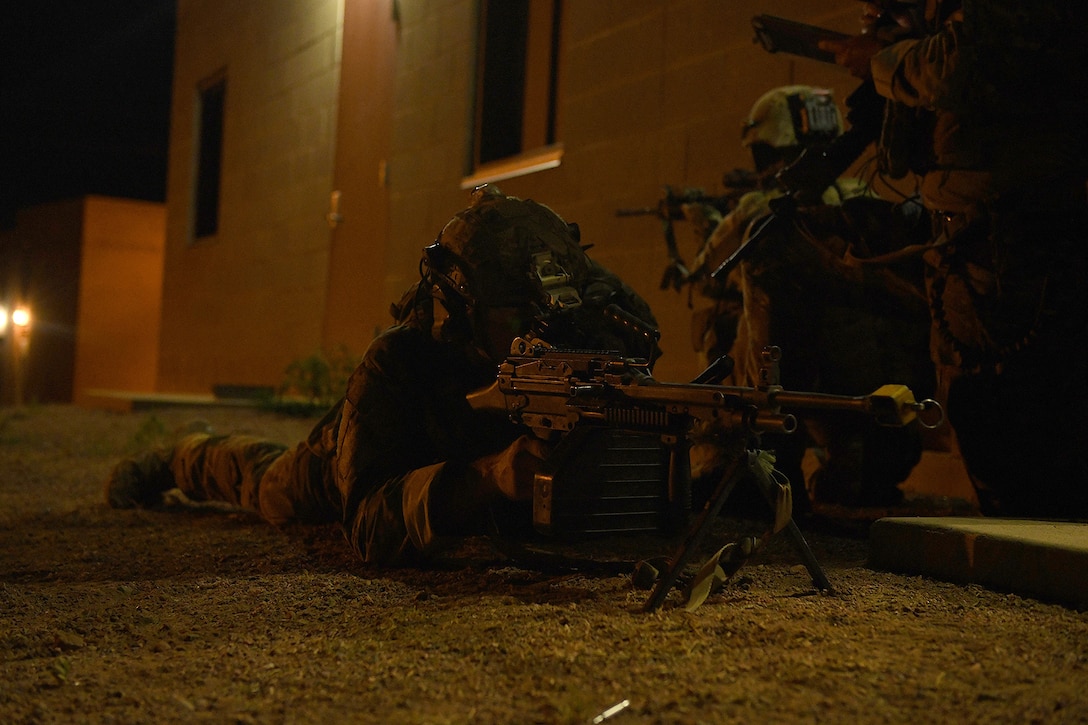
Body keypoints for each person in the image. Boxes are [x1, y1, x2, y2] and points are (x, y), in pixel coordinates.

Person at [105, 186, 662, 565]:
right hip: (359, 460)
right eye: (514, 316)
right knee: (269, 485)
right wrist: (486, 477)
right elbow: (368, 525)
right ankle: (182, 452)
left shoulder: (587, 325)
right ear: (465, 308)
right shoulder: (399, 364)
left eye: (550, 310)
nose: (541, 330)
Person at [820, 0, 1088, 517]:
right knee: (988, 412)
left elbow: (962, 63)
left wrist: (886, 59)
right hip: (984, 236)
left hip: (1012, 238)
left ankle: (1037, 559)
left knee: (1012, 414)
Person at [677, 85, 934, 509]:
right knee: (854, 486)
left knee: (717, 320)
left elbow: (707, 276)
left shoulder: (766, 209)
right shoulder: (865, 196)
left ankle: (743, 458)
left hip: (795, 381)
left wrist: (704, 221)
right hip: (879, 389)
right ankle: (851, 466)